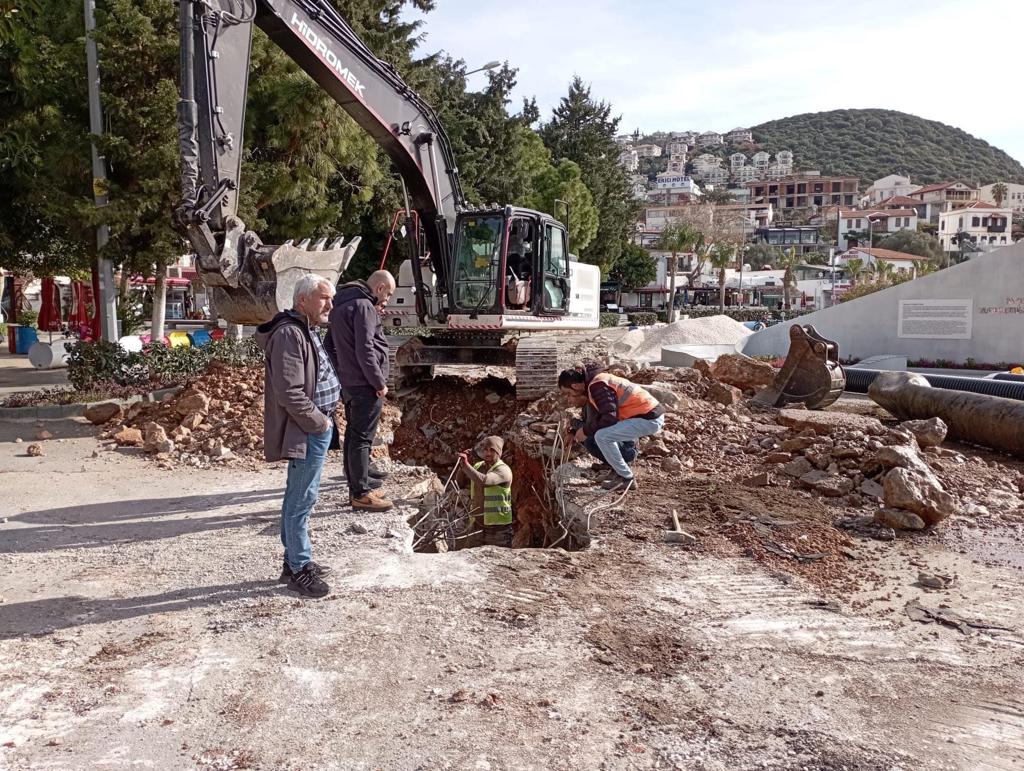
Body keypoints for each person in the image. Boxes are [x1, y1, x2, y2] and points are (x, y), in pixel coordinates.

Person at [254, 274, 339, 598]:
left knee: (299, 495)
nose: (330, 304)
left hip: (315, 426)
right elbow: (289, 391)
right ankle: (299, 568)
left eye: (331, 298)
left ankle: (293, 562)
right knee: (302, 500)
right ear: (302, 300)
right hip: (308, 429)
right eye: (323, 298)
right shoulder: (290, 334)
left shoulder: (306, 328)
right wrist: (319, 422)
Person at [327, 269, 396, 511]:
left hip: (350, 382)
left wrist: (342, 373)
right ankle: (361, 493)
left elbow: (329, 346)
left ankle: (360, 482)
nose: (386, 301)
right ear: (379, 288)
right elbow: (365, 349)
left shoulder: (340, 306)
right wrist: (378, 382)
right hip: (365, 384)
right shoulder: (364, 307)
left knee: (355, 436)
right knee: (362, 438)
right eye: (387, 294)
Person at [558, 363, 665, 491]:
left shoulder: (597, 385)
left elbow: (609, 417)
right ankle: (619, 472)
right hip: (646, 416)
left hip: (649, 418)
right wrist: (577, 430)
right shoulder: (596, 383)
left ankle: (626, 478)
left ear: (575, 386)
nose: (569, 397)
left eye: (568, 393)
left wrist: (585, 431)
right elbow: (599, 418)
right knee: (600, 435)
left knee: (602, 437)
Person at [457, 436, 514, 548]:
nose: (488, 453)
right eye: (486, 449)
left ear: (499, 452)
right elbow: (460, 482)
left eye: (492, 450)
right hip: (477, 526)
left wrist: (466, 465)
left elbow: (485, 481)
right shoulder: (478, 466)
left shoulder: (503, 470)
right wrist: (462, 465)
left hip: (498, 530)